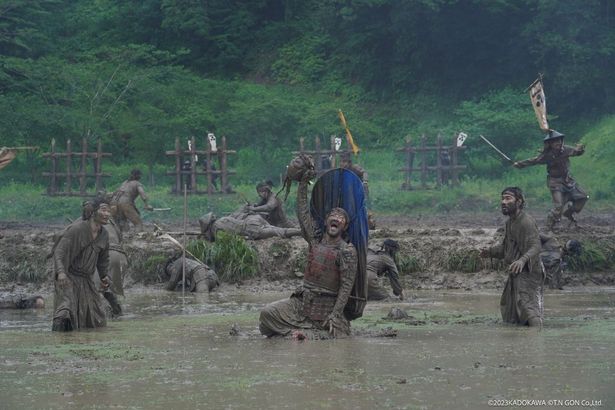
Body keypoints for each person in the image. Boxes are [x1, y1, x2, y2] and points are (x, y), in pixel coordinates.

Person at [259, 156, 359, 338]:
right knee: (266, 316)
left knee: (330, 338)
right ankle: (297, 333)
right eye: (333, 215)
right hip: (302, 304)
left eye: (341, 217)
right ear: (327, 220)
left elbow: (346, 287)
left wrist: (335, 315)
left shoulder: (347, 251)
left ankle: (306, 334)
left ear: (344, 226)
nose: (336, 218)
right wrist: (304, 184)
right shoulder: (315, 240)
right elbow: (303, 213)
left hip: (326, 309)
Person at [480, 187, 544, 327]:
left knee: (527, 307)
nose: (503, 202)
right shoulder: (509, 223)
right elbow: (505, 249)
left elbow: (536, 246)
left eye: (508, 198)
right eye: (502, 198)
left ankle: (538, 337)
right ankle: (520, 340)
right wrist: (489, 252)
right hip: (515, 272)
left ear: (519, 202)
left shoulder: (526, 221)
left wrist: (521, 260)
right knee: (509, 309)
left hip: (528, 272)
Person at [52, 197, 112, 331]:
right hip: (67, 276)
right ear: (93, 211)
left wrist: (104, 276)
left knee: (97, 316)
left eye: (109, 211)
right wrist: (61, 272)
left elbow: (103, 259)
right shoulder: (77, 229)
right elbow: (59, 251)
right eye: (103, 210)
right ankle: (59, 343)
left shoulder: (104, 235)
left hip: (86, 280)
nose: (107, 214)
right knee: (65, 312)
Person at [513, 130, 588, 230]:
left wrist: (580, 149)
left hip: (568, 180)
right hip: (555, 182)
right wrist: (520, 164)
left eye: (560, 141)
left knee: (583, 197)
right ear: (550, 144)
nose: (559, 143)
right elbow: (534, 161)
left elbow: (576, 152)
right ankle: (548, 227)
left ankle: (568, 213)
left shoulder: (566, 149)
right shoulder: (546, 155)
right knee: (558, 206)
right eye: (555, 141)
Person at [198, 208, 301, 241]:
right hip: (254, 219)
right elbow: (238, 215)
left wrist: (246, 238)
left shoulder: (216, 230)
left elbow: (230, 240)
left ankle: (301, 232)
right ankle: (300, 230)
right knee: (276, 228)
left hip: (251, 229)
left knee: (279, 232)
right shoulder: (223, 219)